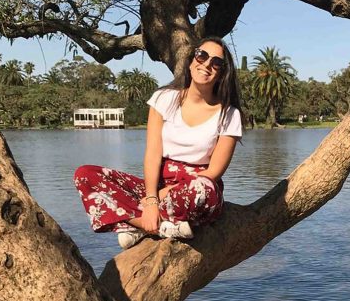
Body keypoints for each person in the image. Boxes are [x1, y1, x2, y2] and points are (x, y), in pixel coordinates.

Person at [74, 37, 243, 249]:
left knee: (204, 189)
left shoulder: (229, 114)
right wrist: (152, 198)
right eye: (202, 55)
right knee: (85, 175)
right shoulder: (164, 99)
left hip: (195, 189)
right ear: (192, 60)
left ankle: (135, 223)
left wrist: (164, 194)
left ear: (222, 72)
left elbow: (214, 172)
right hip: (156, 185)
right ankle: (158, 225)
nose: (207, 64)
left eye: (216, 62)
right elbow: (153, 154)